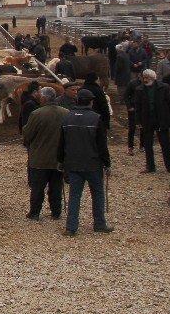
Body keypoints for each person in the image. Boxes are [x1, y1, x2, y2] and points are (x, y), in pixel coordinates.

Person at [57, 90, 113, 237]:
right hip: (93, 164)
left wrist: (60, 161)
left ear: (77, 101)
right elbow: (102, 145)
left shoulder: (67, 118)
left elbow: (62, 143)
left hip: (73, 163)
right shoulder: (96, 118)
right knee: (98, 194)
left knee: (74, 195)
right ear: (90, 102)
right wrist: (107, 163)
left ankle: (71, 227)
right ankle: (99, 224)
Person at [22, 87, 68, 220]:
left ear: (43, 98)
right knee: (56, 187)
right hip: (58, 158)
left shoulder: (37, 114)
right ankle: (56, 212)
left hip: (39, 158)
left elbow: (27, 134)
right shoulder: (66, 113)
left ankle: (35, 212)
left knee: (38, 187)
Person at [134, 69, 170, 173]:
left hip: (161, 119)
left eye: (147, 77)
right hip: (147, 120)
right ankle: (150, 166)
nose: (145, 79)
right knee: (148, 144)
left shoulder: (164, 87)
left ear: (153, 77)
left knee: (165, 144)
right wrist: (138, 121)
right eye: (144, 77)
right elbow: (137, 106)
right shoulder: (140, 89)